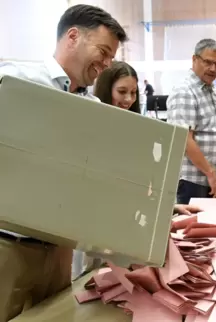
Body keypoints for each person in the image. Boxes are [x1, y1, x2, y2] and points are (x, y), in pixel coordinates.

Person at [0, 5, 127, 321]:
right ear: (73, 36)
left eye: (112, 57)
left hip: (60, 250)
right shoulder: (17, 80)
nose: (107, 63)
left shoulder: (94, 107)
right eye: (103, 51)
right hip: (9, 246)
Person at [94, 61, 203, 215]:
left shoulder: (135, 131)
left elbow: (139, 188)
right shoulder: (95, 132)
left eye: (133, 93)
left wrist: (171, 208)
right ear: (106, 89)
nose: (128, 99)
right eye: (122, 91)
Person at [167, 39, 216, 205]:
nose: (213, 69)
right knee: (192, 228)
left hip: (211, 178)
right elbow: (185, 140)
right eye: (208, 62)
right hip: (192, 181)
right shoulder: (184, 91)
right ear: (194, 59)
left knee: (213, 226)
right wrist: (210, 174)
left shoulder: (213, 90)